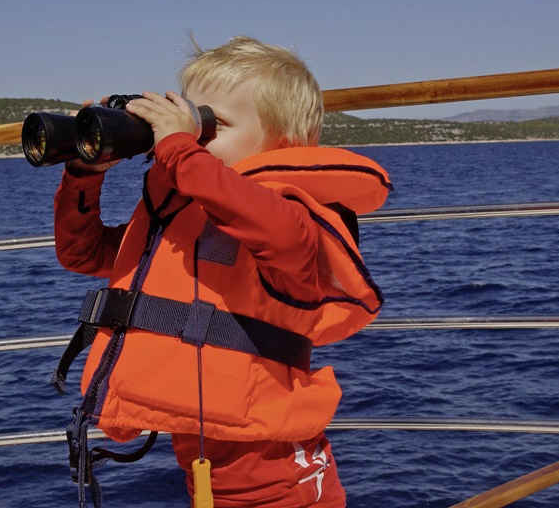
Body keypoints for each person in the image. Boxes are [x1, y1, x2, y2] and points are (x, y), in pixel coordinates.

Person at [52, 36, 392, 507]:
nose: (192, 139)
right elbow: (83, 254)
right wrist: (84, 175)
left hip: (278, 473)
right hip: (204, 458)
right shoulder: (182, 210)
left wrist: (179, 150)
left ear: (283, 144)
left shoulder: (289, 216)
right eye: (191, 122)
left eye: (210, 127)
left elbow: (281, 236)